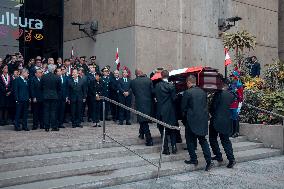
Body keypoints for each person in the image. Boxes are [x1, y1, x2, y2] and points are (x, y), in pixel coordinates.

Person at [181, 75, 213, 171]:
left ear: (188, 82)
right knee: (203, 140)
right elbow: (206, 105)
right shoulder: (203, 92)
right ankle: (209, 161)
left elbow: (183, 107)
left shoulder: (187, 92)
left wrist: (184, 118)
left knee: (190, 140)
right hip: (202, 119)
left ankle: (194, 159)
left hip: (191, 120)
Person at [209, 80, 236, 168]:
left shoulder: (218, 94)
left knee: (212, 138)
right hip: (227, 120)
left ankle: (218, 156)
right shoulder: (231, 95)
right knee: (225, 140)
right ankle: (231, 159)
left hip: (216, 120)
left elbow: (213, 107)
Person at [154, 70, 178, 155]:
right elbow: (174, 99)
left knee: (162, 130)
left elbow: (155, 96)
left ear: (161, 76)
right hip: (170, 111)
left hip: (160, 111)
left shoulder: (157, 86)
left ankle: (166, 149)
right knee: (172, 130)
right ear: (168, 76)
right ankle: (174, 147)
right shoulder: (171, 86)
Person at [131, 69, 154, 146]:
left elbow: (134, 92)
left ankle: (149, 139)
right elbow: (152, 91)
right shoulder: (149, 80)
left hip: (139, 103)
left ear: (136, 74)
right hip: (148, 103)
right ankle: (141, 133)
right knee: (143, 119)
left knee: (143, 121)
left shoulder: (133, 82)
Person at [41, 64, 61, 132]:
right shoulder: (57, 77)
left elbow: (40, 87)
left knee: (46, 112)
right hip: (54, 96)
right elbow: (59, 88)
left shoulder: (43, 77)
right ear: (53, 70)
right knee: (53, 112)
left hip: (46, 96)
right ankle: (53, 126)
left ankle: (46, 127)